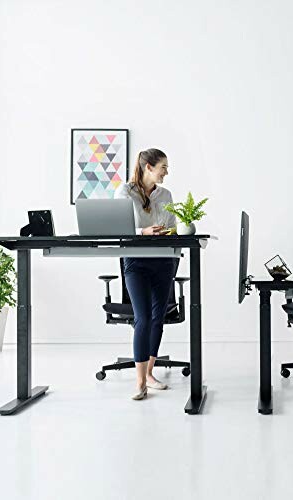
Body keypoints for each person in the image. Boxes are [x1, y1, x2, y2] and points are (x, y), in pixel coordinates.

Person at [114, 148, 177, 400]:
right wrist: (144, 232)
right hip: (136, 262)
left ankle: (150, 374)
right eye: (163, 167)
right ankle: (139, 382)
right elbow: (120, 228)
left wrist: (169, 232)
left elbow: (172, 225)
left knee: (157, 318)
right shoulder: (124, 192)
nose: (166, 172)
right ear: (149, 167)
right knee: (142, 318)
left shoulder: (166, 194)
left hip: (163, 261)